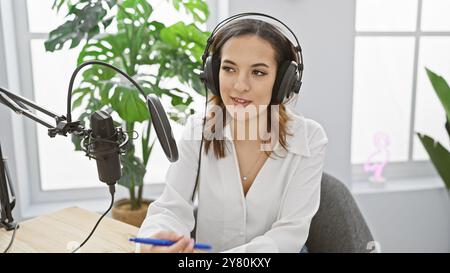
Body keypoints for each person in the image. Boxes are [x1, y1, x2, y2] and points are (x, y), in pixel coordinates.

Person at [137, 14, 328, 253]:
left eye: (258, 72)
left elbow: (289, 235)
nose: (240, 85)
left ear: (282, 82)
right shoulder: (199, 130)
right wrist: (155, 241)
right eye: (229, 68)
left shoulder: (309, 138)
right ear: (213, 73)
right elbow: (170, 208)